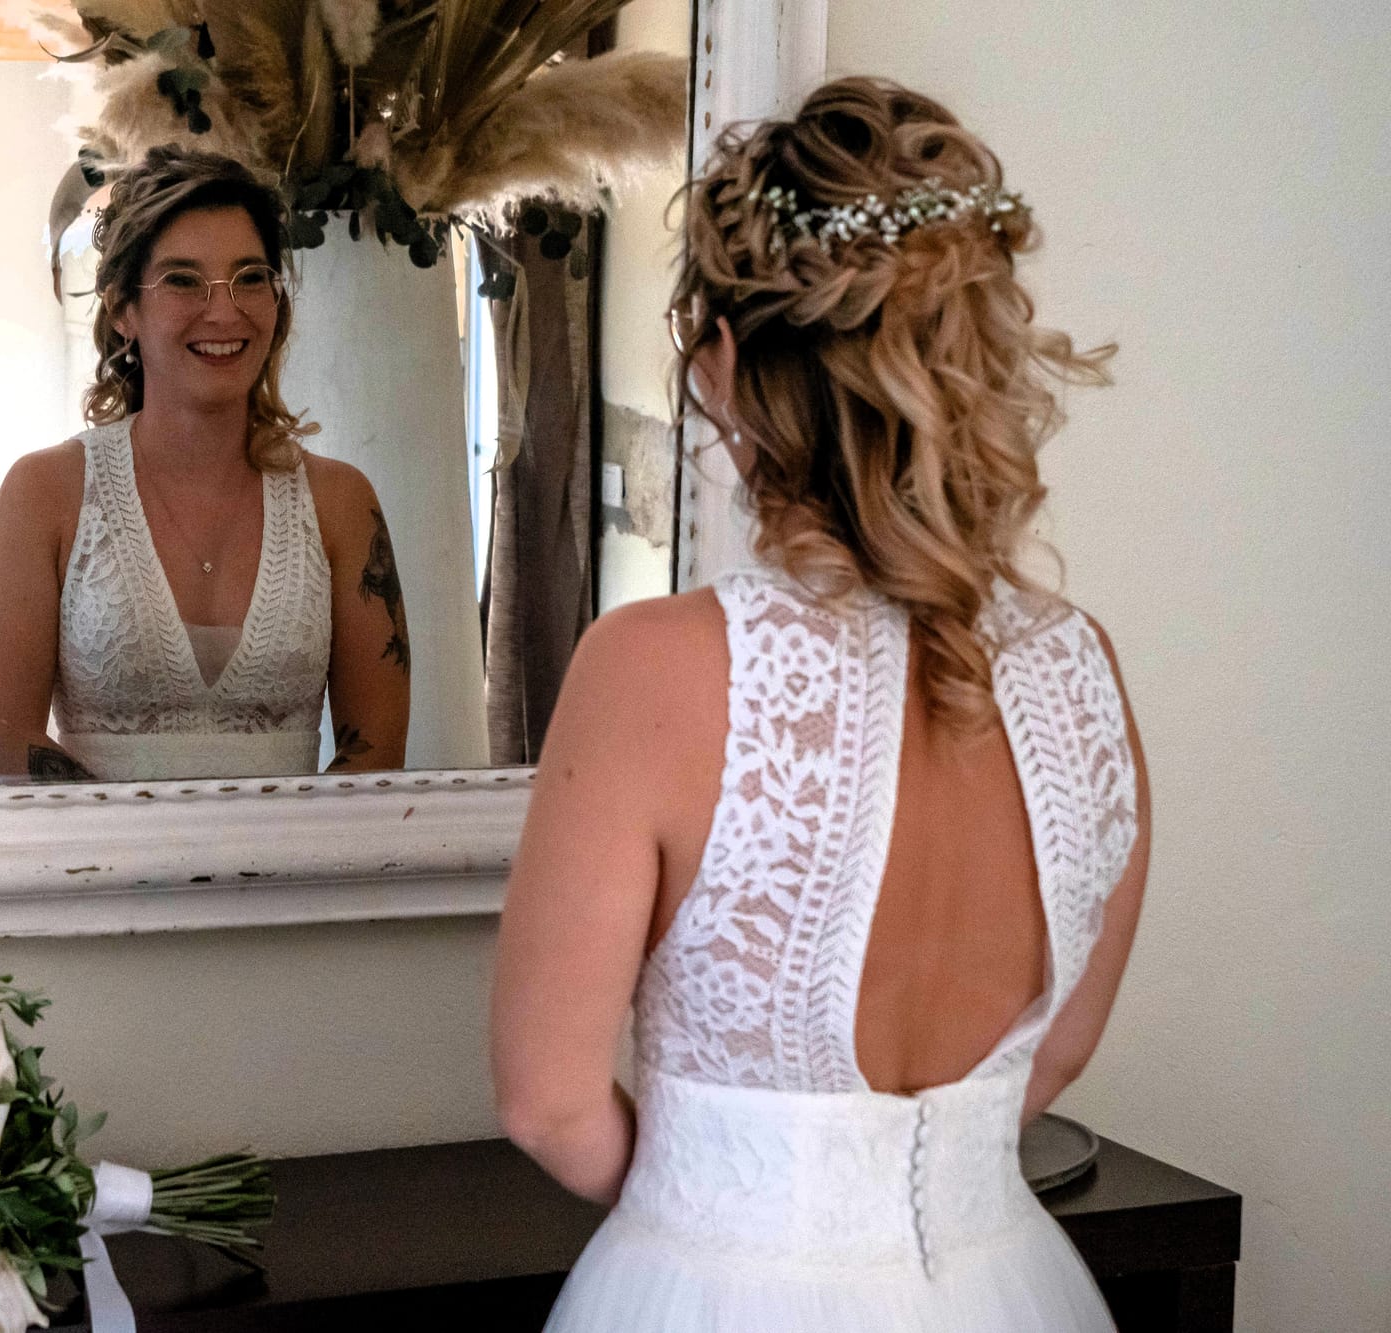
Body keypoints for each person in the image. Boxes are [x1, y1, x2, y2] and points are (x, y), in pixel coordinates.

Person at [490, 78, 1150, 1331]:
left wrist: (725, 1214)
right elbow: (1050, 1055)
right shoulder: (1081, 666)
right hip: (1007, 1282)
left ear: (724, 365)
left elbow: (546, 1100)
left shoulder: (650, 666)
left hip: (715, 1286)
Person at [0, 147, 411, 782]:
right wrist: (157, 863)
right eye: (182, 280)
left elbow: (377, 755)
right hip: (94, 876)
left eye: (251, 277)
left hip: (296, 880)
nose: (223, 310)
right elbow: (2, 742)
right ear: (123, 310)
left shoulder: (340, 502)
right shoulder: (45, 494)